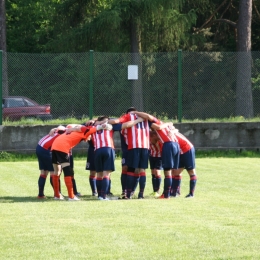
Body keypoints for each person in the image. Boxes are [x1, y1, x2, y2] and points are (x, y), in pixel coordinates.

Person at [51, 122, 112, 201]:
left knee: (57, 171)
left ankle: (57, 195)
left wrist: (55, 129)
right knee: (68, 172)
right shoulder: (86, 130)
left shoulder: (74, 132)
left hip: (54, 146)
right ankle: (71, 196)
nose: (90, 138)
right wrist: (104, 126)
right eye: (91, 136)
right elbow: (93, 128)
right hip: (62, 147)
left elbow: (60, 131)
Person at [91, 115, 144, 200]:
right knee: (106, 174)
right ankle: (104, 196)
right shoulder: (111, 125)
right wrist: (138, 121)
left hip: (97, 150)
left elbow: (83, 126)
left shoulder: (93, 125)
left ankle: (100, 196)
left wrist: (96, 121)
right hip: (108, 148)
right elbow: (126, 125)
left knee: (99, 174)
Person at [131, 111, 180, 199]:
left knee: (167, 171)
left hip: (168, 144)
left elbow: (151, 120)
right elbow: (174, 128)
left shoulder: (156, 123)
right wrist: (169, 125)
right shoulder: (165, 125)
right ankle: (172, 192)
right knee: (172, 171)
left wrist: (135, 112)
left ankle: (167, 194)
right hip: (176, 144)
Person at [108, 107, 150, 199]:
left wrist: (105, 121)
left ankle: (129, 193)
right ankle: (134, 193)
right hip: (141, 147)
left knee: (131, 169)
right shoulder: (145, 117)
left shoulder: (128, 117)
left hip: (133, 147)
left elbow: (115, 122)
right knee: (139, 169)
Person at [36, 125, 66, 199]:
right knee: (55, 172)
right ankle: (58, 194)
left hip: (39, 147)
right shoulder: (62, 135)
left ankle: (41, 194)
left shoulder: (56, 131)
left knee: (43, 172)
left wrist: (54, 129)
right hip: (46, 150)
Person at [170, 127, 197, 198]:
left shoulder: (165, 129)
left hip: (187, 149)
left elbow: (173, 127)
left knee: (191, 171)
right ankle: (175, 192)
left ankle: (191, 194)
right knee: (176, 172)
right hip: (180, 151)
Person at [149, 130, 162, 197]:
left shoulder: (159, 140)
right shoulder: (148, 137)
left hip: (159, 157)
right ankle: (154, 191)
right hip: (152, 156)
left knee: (157, 172)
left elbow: (161, 149)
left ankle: (158, 191)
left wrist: (157, 145)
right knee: (153, 173)